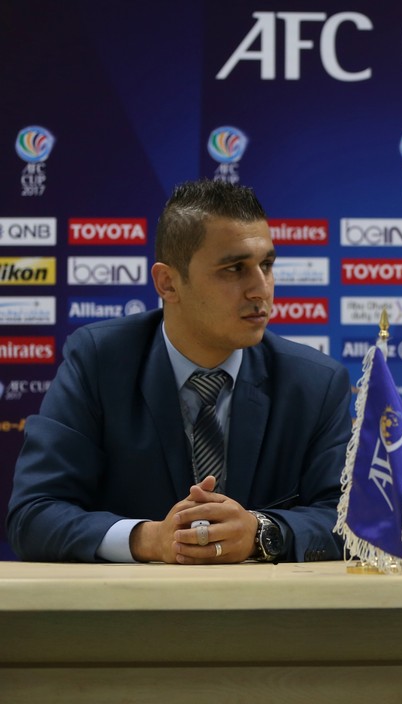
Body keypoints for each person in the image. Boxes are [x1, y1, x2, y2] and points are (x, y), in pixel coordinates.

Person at [7, 180, 352, 563]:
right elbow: (33, 513)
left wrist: (262, 532)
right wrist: (149, 539)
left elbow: (351, 522)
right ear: (168, 283)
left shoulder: (315, 383)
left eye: (266, 265)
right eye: (234, 269)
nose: (261, 289)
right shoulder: (99, 362)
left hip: (266, 602)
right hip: (132, 602)